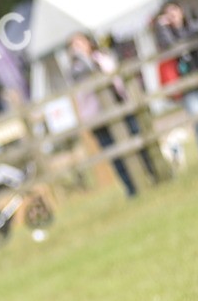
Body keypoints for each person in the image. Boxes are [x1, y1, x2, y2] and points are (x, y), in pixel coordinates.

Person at [67, 33, 157, 196]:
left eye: (80, 42)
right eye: (74, 45)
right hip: (98, 116)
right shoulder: (75, 68)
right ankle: (131, 188)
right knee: (115, 154)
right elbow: (87, 75)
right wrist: (81, 58)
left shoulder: (102, 56)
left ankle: (152, 174)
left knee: (137, 140)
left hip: (120, 104)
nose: (78, 46)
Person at [154, 3, 198, 170]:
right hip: (186, 85)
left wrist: (182, 38)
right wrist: (160, 26)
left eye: (174, 10)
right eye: (168, 13)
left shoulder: (193, 26)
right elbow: (169, 44)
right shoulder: (166, 34)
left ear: (181, 11)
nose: (172, 15)